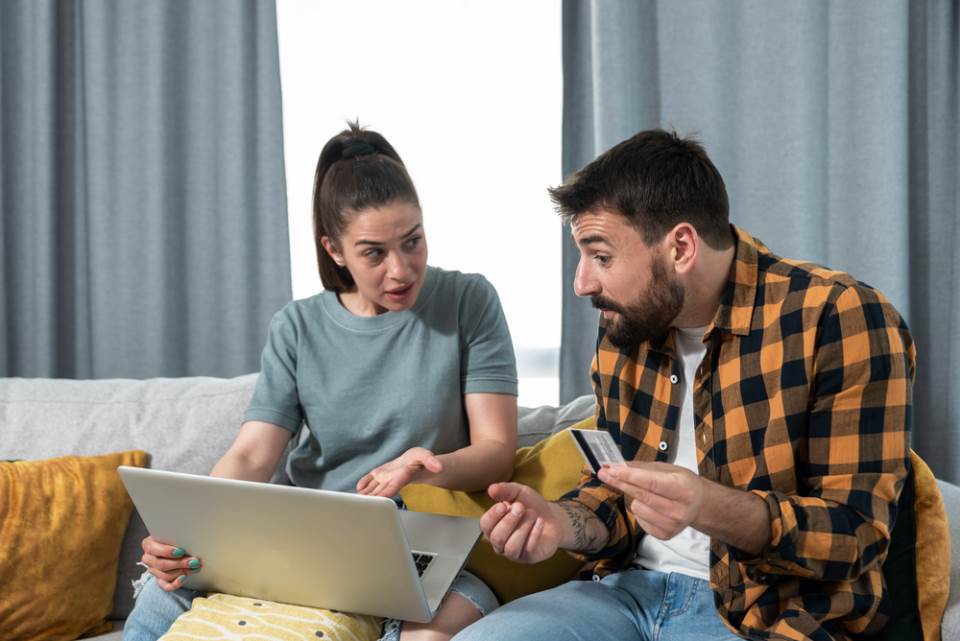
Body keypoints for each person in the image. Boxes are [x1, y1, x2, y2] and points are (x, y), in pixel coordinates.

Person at [452, 129, 915, 641]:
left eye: (601, 256)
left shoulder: (837, 317)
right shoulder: (627, 328)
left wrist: (708, 506)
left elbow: (857, 537)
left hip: (765, 615)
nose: (582, 282)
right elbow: (611, 497)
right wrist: (561, 524)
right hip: (623, 594)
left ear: (681, 247)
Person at [123, 123, 519, 641]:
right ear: (335, 250)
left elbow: (497, 450)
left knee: (435, 633)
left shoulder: (469, 301)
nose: (401, 270)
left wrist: (423, 466)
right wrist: (193, 532)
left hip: (422, 544)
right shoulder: (297, 325)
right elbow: (251, 456)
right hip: (303, 547)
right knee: (160, 596)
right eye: (374, 253)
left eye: (413, 242)